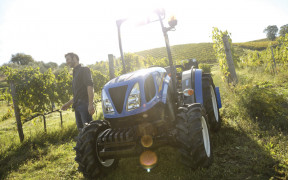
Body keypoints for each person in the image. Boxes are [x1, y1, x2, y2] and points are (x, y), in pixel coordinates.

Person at [61, 52, 95, 132]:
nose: (67, 62)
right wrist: (68, 104)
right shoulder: (75, 73)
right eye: (66, 60)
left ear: (75, 59)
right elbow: (78, 94)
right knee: (81, 131)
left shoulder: (84, 70)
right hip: (77, 106)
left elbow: (90, 86)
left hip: (84, 105)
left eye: (68, 59)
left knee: (88, 131)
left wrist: (90, 104)